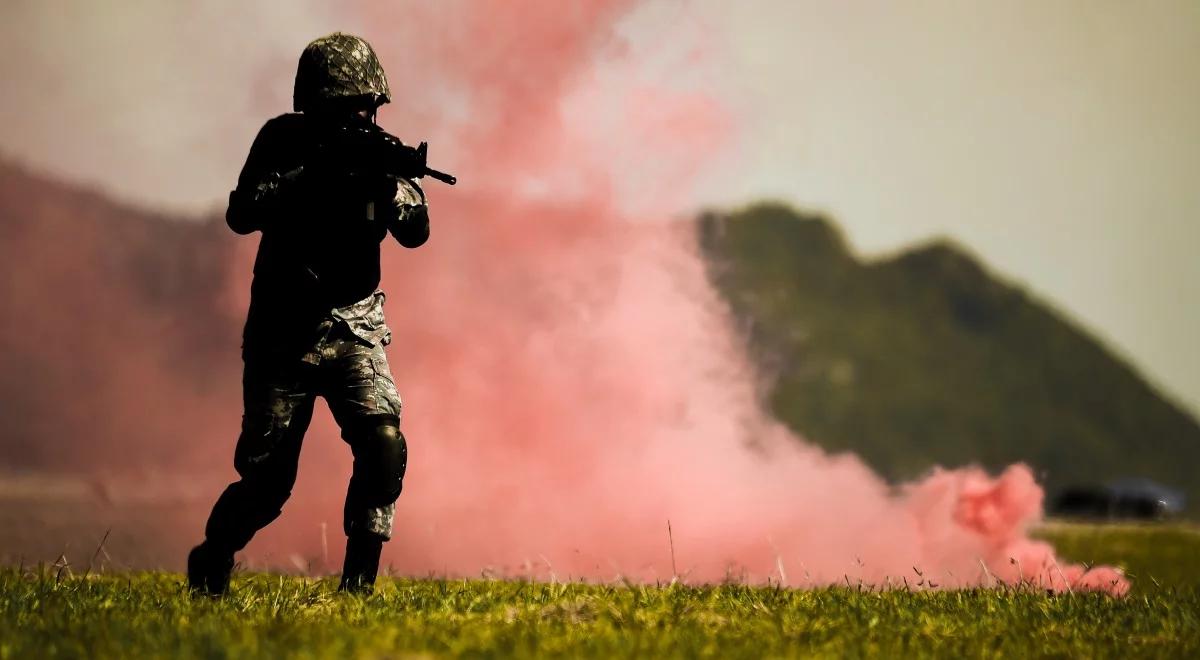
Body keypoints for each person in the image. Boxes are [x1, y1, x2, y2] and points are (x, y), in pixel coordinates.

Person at [187, 32, 429, 596]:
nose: (361, 116)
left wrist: (390, 188)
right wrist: (309, 179)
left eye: (367, 105)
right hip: (282, 333)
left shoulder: (379, 151)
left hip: (356, 325)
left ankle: (358, 589)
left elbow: (416, 232)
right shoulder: (281, 142)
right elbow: (241, 213)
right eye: (347, 105)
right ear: (314, 103)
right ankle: (214, 557)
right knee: (268, 482)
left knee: (383, 444)